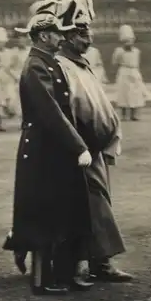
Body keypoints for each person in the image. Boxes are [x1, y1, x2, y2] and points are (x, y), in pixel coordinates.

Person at [3, 9, 95, 296]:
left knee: (65, 208)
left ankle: (63, 273)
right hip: (43, 149)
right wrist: (78, 145)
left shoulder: (48, 63)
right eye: (57, 33)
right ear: (44, 36)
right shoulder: (36, 67)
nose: (62, 38)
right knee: (45, 212)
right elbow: (50, 112)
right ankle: (42, 280)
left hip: (54, 147)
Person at [56, 15, 132, 283]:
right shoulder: (61, 66)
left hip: (95, 145)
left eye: (88, 35)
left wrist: (110, 134)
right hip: (78, 146)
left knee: (99, 202)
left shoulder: (83, 65)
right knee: (86, 204)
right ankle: (81, 263)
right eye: (82, 36)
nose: (88, 41)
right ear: (66, 37)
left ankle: (100, 262)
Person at [112, 24, 147, 121]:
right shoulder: (119, 51)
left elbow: (137, 63)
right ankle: (123, 115)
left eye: (130, 41)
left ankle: (134, 114)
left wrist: (137, 74)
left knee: (135, 93)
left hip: (134, 71)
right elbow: (115, 62)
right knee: (124, 93)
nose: (128, 43)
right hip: (124, 72)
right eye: (126, 41)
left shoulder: (136, 51)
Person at [9, 28, 31, 123]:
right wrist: (15, 76)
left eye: (23, 38)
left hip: (30, 77)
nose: (21, 41)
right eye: (19, 39)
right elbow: (9, 67)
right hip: (19, 77)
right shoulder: (14, 52)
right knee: (20, 100)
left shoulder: (30, 50)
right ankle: (24, 119)